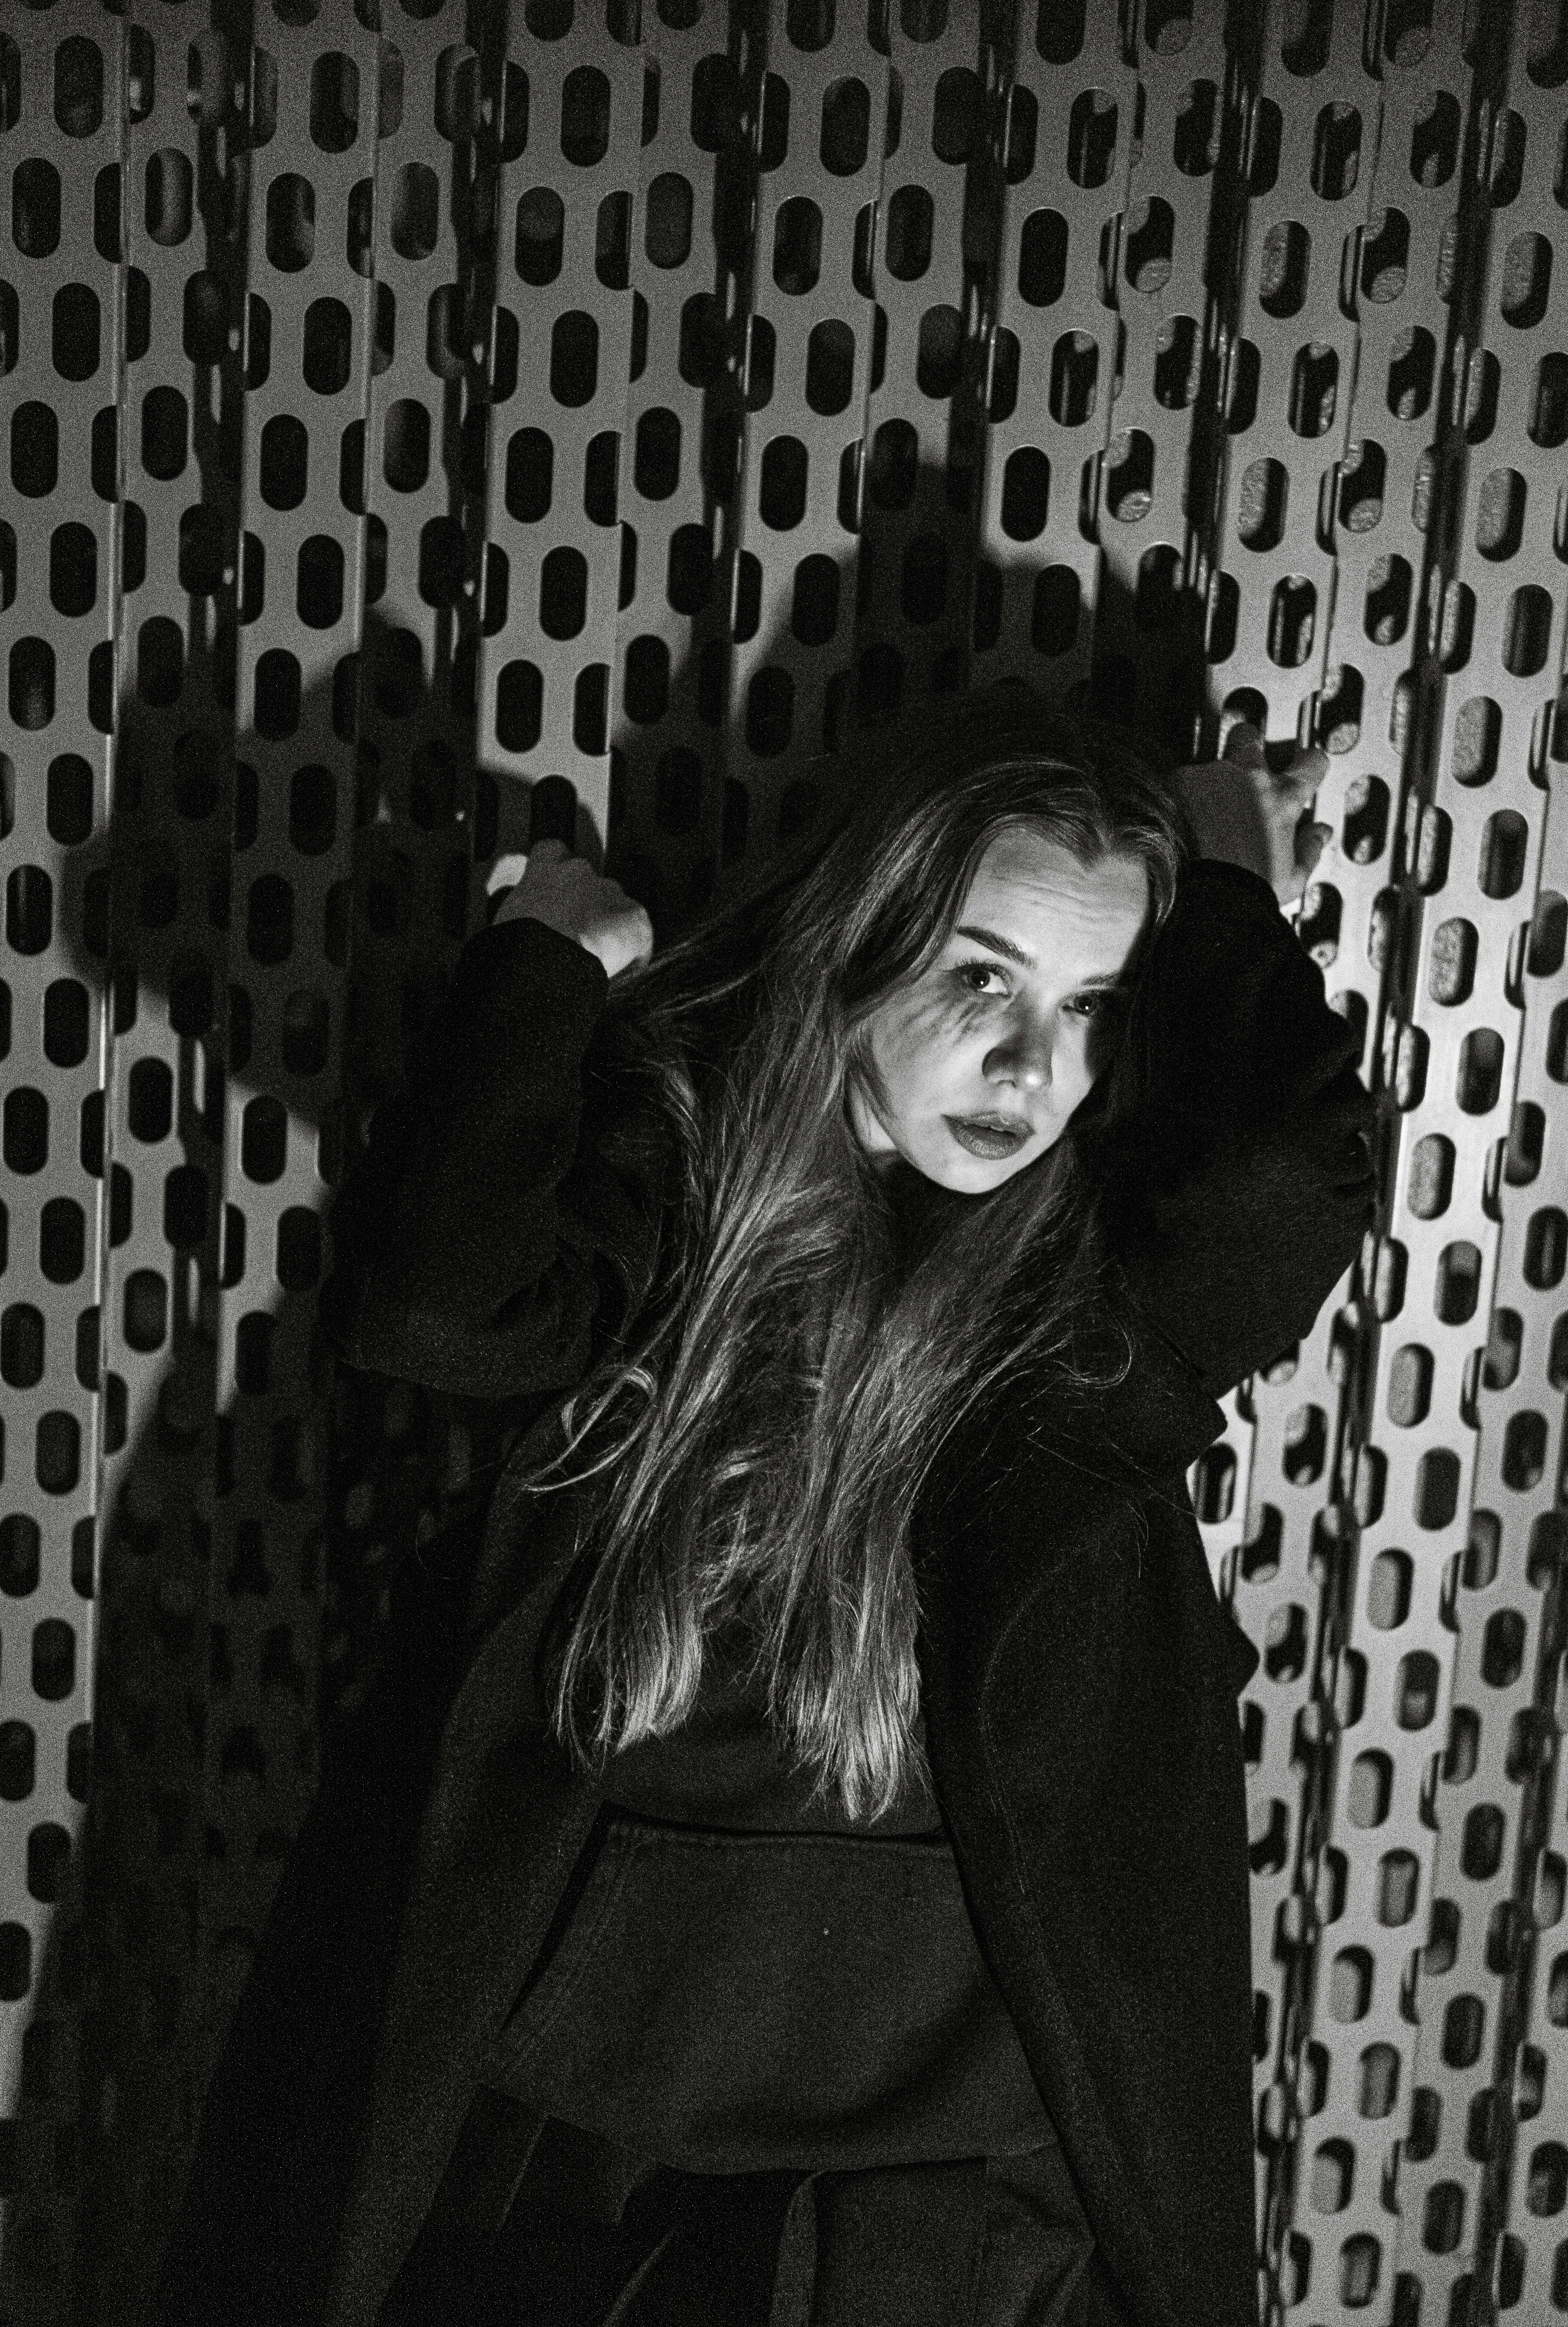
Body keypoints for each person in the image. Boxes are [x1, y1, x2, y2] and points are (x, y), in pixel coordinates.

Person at [154, 681, 1374, 2327]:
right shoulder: (687, 1197)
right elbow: (436, 1306)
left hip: (958, 2216)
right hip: (585, 2178)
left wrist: (1227, 881)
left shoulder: (1089, 1308)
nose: (1030, 1066)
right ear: (859, 943)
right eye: (980, 976)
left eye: (1093, 1005)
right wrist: (548, 963)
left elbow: (1278, 1185)